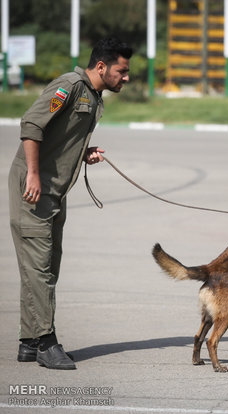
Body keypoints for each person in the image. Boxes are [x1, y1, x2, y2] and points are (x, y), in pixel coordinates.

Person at [8, 37, 132, 370]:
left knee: (46, 268)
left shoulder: (92, 95)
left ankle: (28, 342)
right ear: (102, 67)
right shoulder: (69, 86)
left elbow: (60, 136)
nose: (126, 78)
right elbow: (31, 125)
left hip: (54, 193)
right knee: (40, 271)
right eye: (122, 71)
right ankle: (47, 344)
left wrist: (83, 153)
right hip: (34, 191)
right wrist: (33, 175)